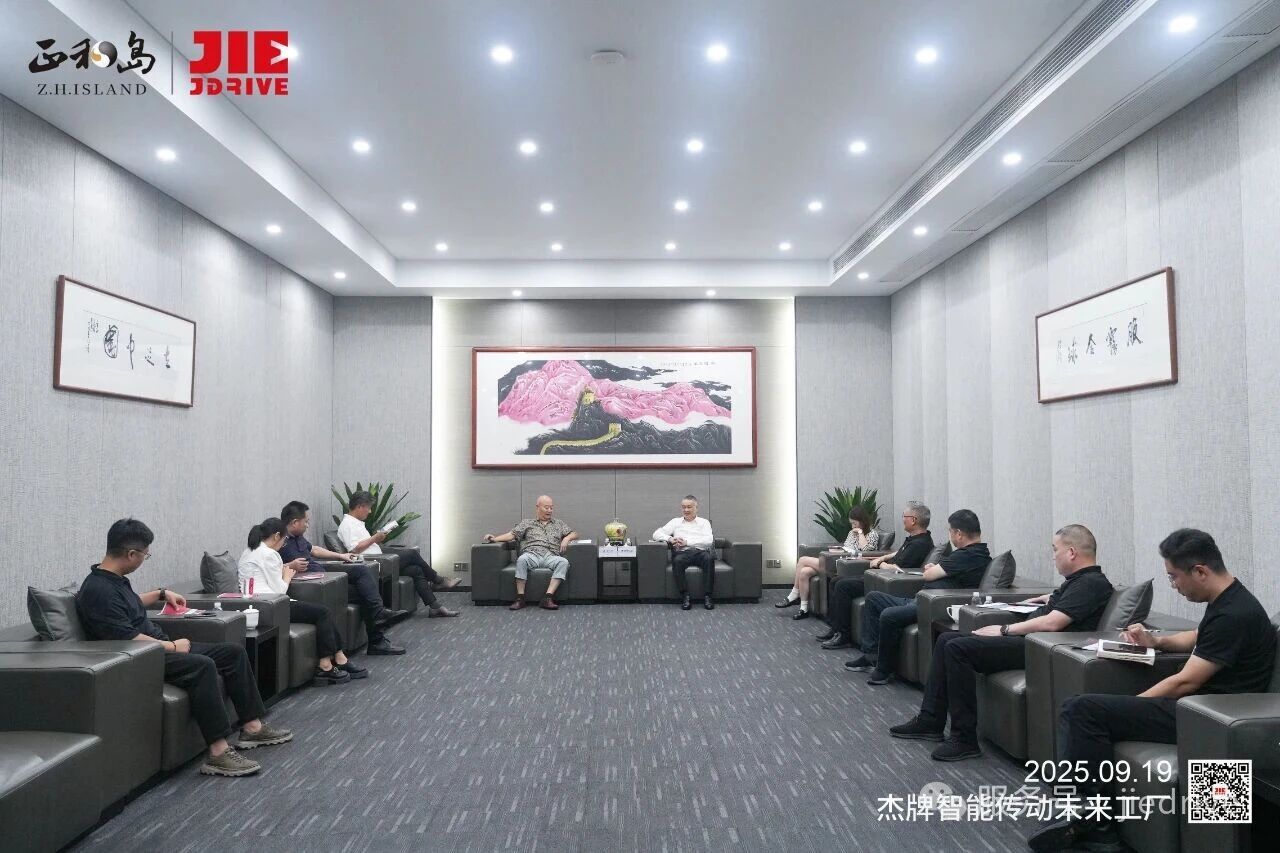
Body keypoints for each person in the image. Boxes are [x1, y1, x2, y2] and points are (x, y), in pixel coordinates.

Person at [1027, 528, 1277, 853]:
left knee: (1082, 710)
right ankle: (1084, 813)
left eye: (1174, 577)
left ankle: (1094, 824)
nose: (1173, 585)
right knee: (1083, 709)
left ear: (1200, 571)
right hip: (1199, 709)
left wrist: (1133, 705)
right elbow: (1196, 637)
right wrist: (1155, 641)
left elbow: (1185, 681)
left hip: (1207, 718)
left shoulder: (1234, 614)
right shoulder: (1230, 600)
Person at [75, 519, 292, 777]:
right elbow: (126, 637)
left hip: (155, 649)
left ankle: (252, 728)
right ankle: (218, 753)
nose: (144, 559)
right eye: (145, 555)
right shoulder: (98, 591)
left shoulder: (114, 580)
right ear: (131, 554)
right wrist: (171, 646)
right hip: (139, 658)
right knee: (203, 666)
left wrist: (160, 593)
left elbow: (128, 605)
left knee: (232, 653)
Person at [890, 524, 1114, 761]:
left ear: (1071, 553)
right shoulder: (1078, 581)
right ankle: (930, 720)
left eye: (1055, 549)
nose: (1053, 556)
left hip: (1041, 648)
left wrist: (1004, 629)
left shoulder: (1091, 583)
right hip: (1032, 641)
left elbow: (1053, 623)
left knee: (957, 649)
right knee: (946, 639)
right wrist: (1046, 598)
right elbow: (1066, 605)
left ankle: (964, 739)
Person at [847, 508, 989, 685]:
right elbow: (939, 571)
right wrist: (934, 569)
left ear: (959, 533)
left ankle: (884, 670)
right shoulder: (975, 553)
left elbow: (928, 575)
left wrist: (932, 570)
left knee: (889, 615)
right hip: (920, 598)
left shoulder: (967, 555)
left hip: (931, 606)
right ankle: (870, 656)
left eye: (950, 531)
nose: (951, 535)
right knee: (873, 598)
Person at [239, 517, 367, 685]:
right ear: (277, 536)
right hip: (272, 605)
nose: (283, 545)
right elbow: (279, 591)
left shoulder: (249, 551)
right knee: (322, 613)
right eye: (284, 540)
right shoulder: (270, 554)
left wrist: (283, 572)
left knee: (321, 612)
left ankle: (338, 658)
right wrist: (287, 576)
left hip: (257, 604)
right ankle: (326, 665)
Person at [280, 500, 407, 656]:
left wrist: (341, 556)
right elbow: (270, 567)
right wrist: (290, 565)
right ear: (294, 522)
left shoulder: (298, 537)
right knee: (365, 593)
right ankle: (377, 637)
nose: (308, 525)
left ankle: (378, 618)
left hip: (324, 575)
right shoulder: (279, 540)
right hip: (314, 586)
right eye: (306, 521)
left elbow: (314, 550)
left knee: (361, 571)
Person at [815, 502, 934, 650]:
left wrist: (880, 564)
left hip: (888, 582)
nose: (902, 519)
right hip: (880, 577)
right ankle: (836, 628)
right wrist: (883, 557)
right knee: (836, 580)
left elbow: (898, 569)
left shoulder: (920, 544)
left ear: (913, 520)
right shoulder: (914, 539)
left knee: (843, 585)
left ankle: (843, 635)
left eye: (904, 516)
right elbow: (899, 553)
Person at [338, 490, 459, 617]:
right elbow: (354, 550)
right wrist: (374, 538)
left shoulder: (356, 523)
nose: (370, 511)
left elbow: (364, 545)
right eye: (368, 508)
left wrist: (377, 539)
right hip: (374, 564)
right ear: (360, 506)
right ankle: (438, 580)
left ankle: (435, 608)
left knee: (416, 570)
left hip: (381, 559)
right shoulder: (347, 525)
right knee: (412, 554)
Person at [779, 506, 880, 620]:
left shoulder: (873, 534)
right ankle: (804, 609)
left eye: (855, 523)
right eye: (851, 524)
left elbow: (866, 550)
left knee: (802, 560)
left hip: (848, 566)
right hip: (840, 559)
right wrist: (837, 550)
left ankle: (794, 594)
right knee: (804, 572)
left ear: (862, 521)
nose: (853, 527)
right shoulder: (852, 533)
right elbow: (846, 547)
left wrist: (860, 533)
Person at [483, 495, 578, 611]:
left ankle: (547, 598)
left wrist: (566, 538)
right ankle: (520, 598)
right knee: (522, 560)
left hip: (551, 556)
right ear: (537, 507)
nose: (549, 510)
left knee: (564, 562)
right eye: (546, 507)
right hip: (532, 555)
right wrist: (494, 539)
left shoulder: (558, 523)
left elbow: (574, 533)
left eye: (551, 508)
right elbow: (511, 535)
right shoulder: (527, 523)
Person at [652, 495, 717, 611]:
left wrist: (687, 542)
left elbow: (708, 541)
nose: (686, 510)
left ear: (696, 508)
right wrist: (670, 539)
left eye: (689, 507)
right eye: (683, 507)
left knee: (709, 559)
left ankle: (708, 596)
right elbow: (656, 534)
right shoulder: (675, 522)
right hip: (682, 553)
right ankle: (685, 596)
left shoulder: (704, 522)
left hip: (700, 552)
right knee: (677, 561)